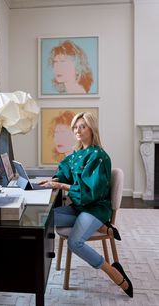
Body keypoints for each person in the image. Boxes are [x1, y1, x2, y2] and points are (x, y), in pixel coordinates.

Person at [40, 112, 133, 298]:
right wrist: (53, 180)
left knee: (75, 242)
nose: (78, 130)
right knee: (45, 217)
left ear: (92, 129)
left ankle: (115, 274)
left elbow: (90, 193)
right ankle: (103, 228)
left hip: (94, 208)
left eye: (82, 126)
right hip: (79, 208)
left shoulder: (99, 156)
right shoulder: (77, 154)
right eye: (75, 127)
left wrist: (60, 185)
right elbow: (64, 172)